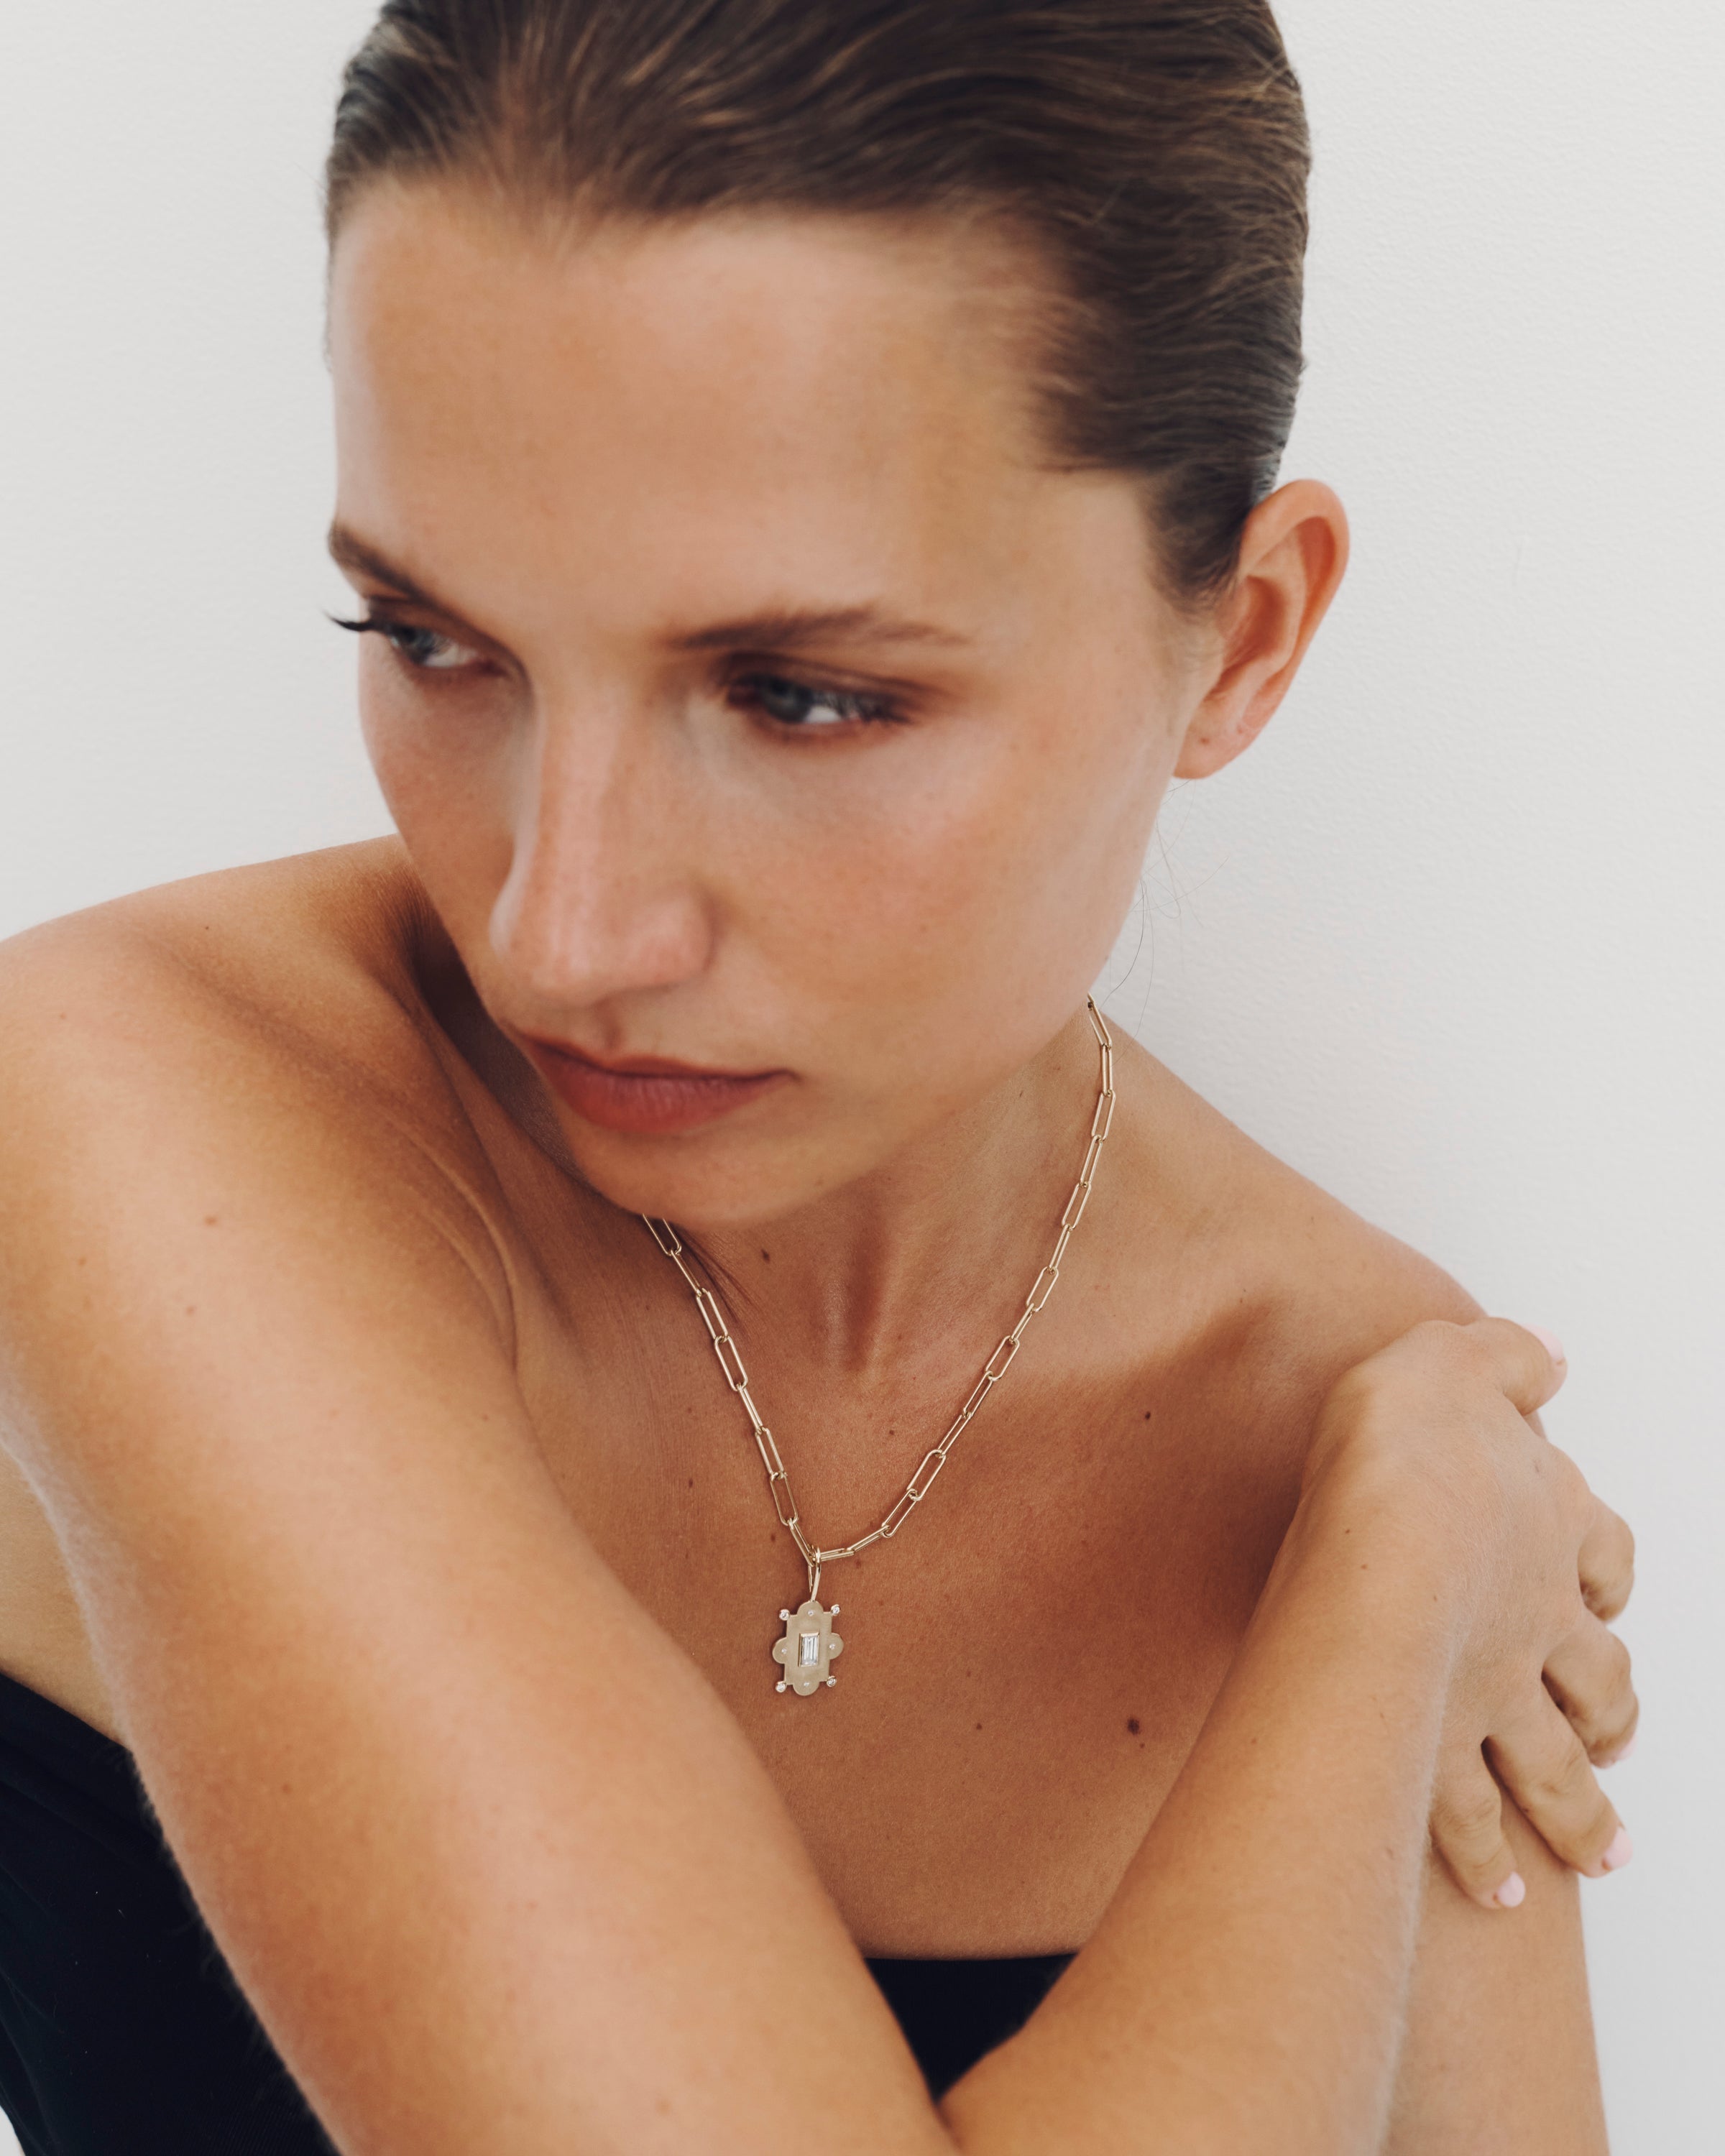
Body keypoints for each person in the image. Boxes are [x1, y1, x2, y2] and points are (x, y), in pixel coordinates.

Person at [0, 3, 1638, 2152]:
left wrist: (1388, 1529)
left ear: (1239, 638)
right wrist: (1385, 1613)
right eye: (431, 644)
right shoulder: (137, 1110)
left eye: (800, 697)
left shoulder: (1366, 1397)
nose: (561, 930)